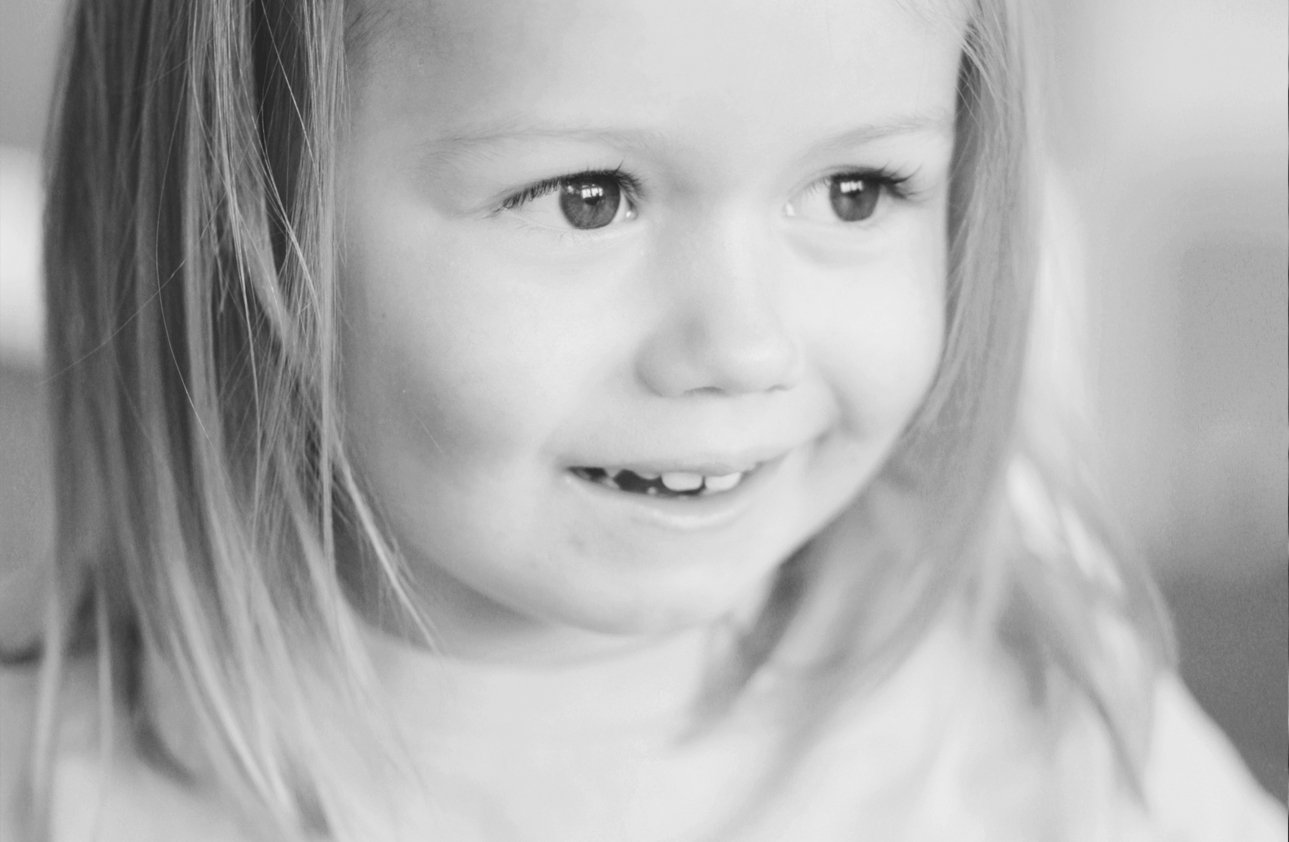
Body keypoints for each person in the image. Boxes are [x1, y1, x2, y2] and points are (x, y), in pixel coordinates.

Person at [0, 0, 1283, 839]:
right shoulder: (51, 786)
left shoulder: (1052, 742)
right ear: (240, 212)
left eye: (854, 189)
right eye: (588, 197)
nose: (743, 346)